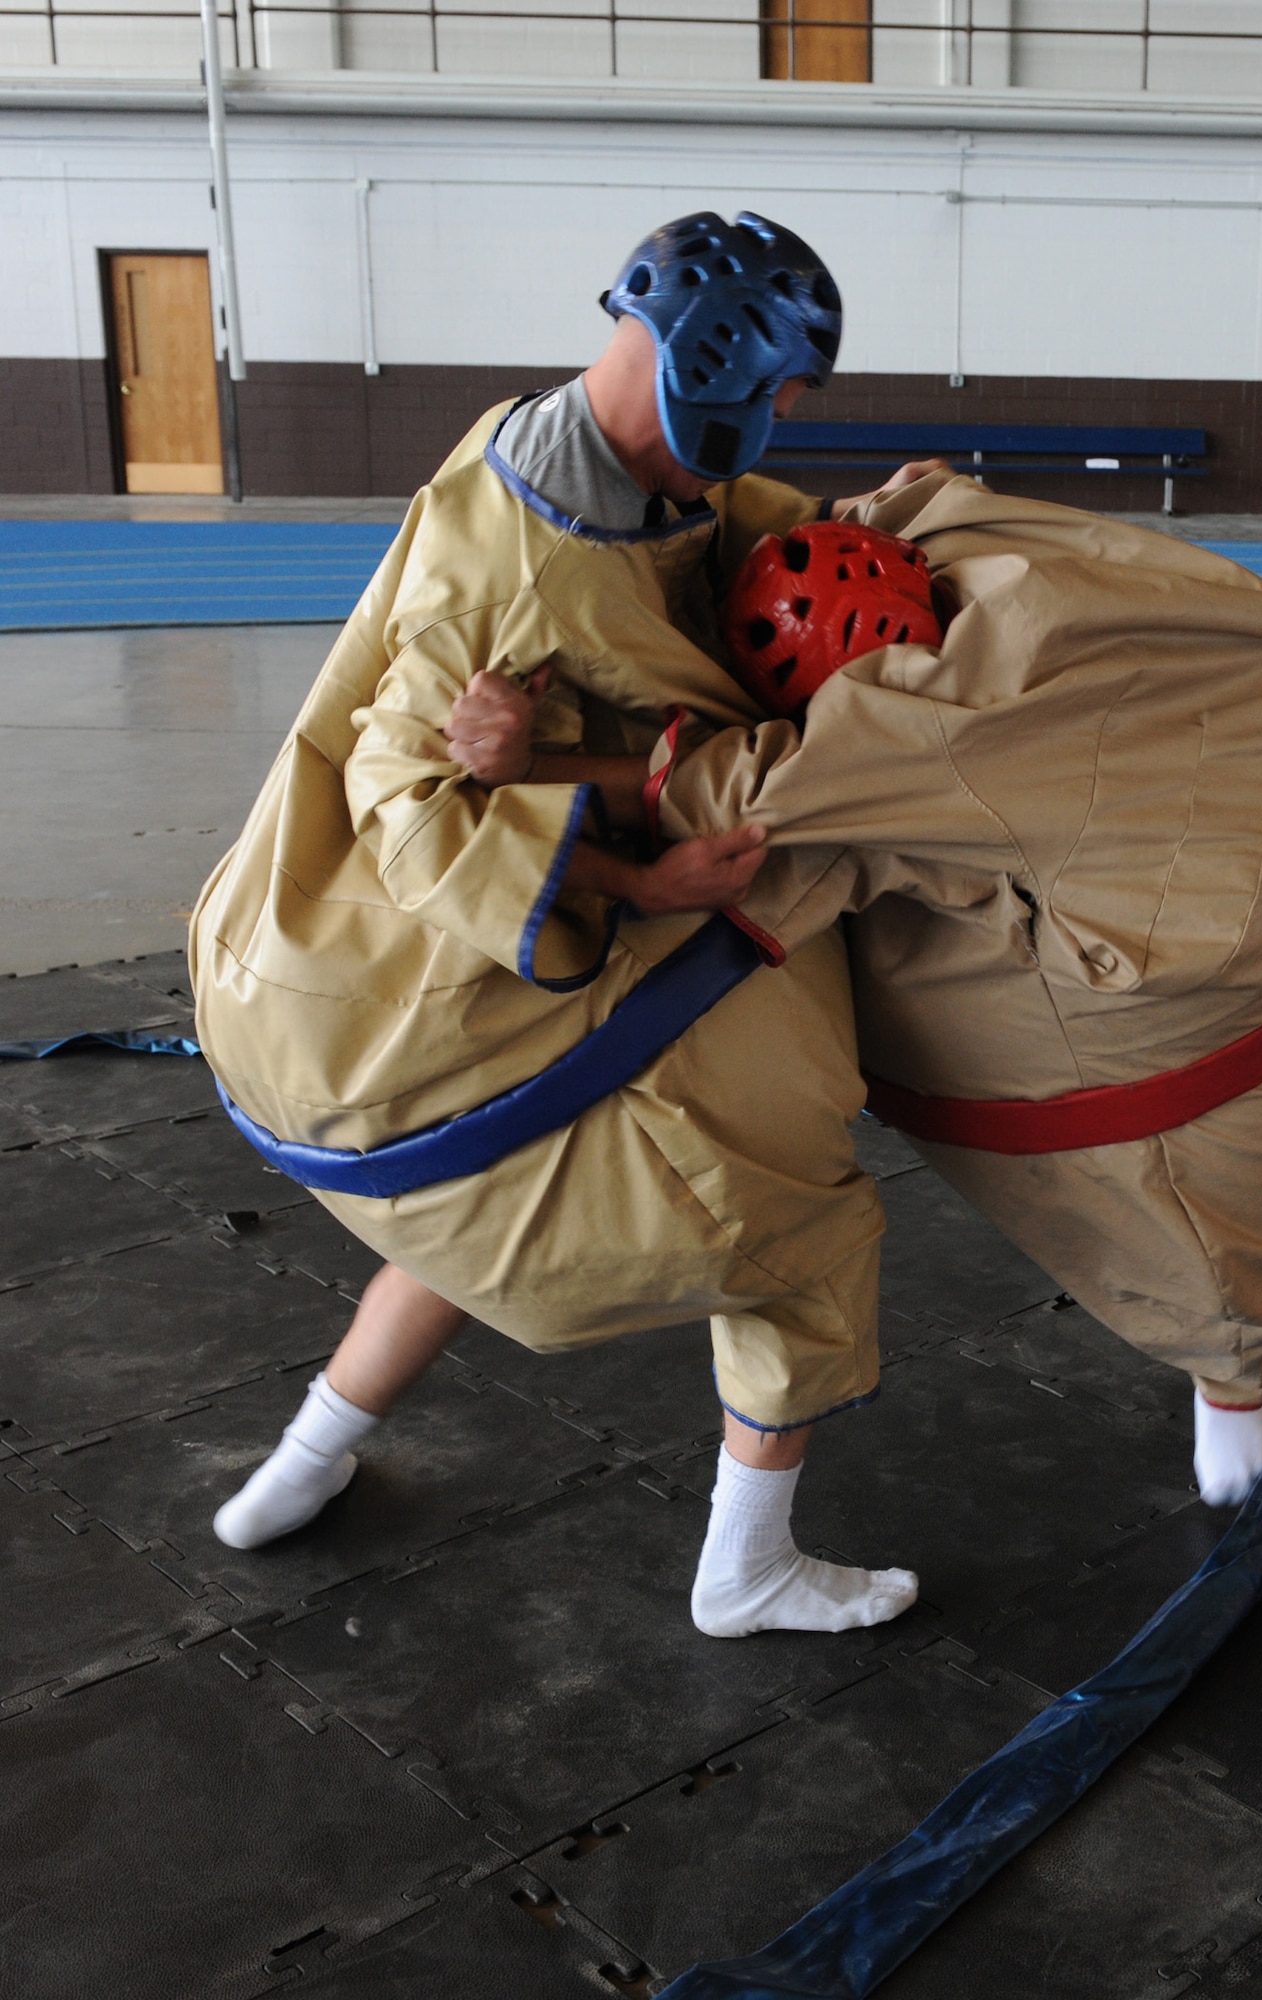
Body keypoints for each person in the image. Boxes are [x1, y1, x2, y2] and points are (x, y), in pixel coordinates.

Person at [193, 212, 939, 1639]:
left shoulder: (574, 447)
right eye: (776, 390)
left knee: (472, 1206)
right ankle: (748, 1569)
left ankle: (298, 1465)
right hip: (404, 992)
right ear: (714, 365)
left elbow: (706, 531)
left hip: (386, 1024)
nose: (779, 417)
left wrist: (856, 515)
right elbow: (404, 800)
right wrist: (639, 883)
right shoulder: (516, 572)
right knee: (799, 1231)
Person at [448, 488, 1262, 1506]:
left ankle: (1230, 1360)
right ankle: (1232, 1369)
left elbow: (744, 798)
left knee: (842, 864)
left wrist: (534, 765)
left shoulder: (932, 725)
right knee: (888, 852)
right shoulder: (960, 534)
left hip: (1213, 935)